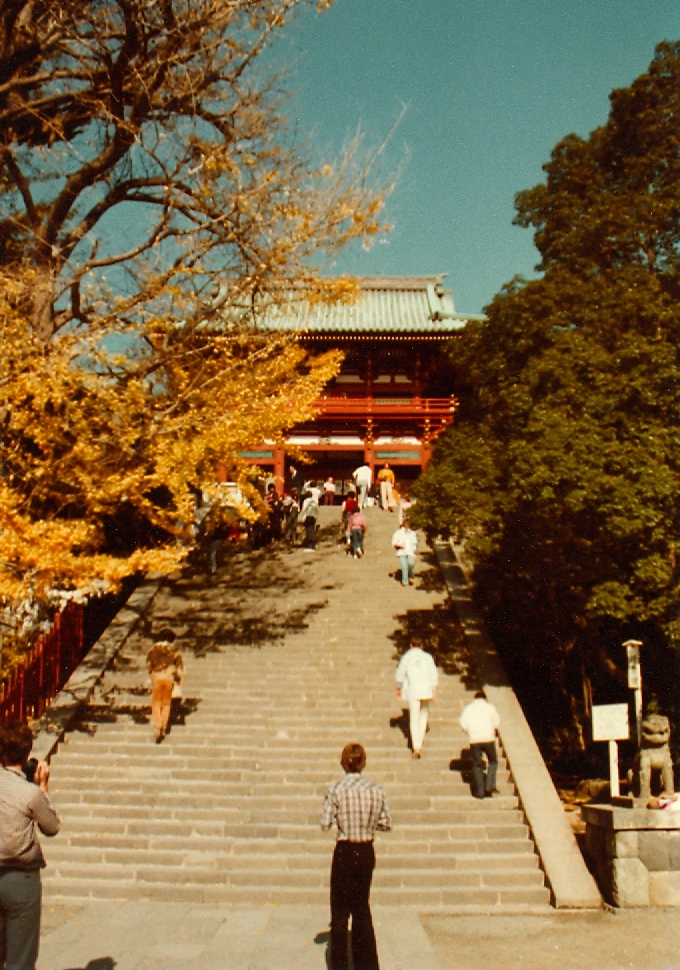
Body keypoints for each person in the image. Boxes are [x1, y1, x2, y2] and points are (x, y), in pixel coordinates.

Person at [320, 743, 391, 970]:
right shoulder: (376, 790)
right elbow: (386, 823)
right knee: (361, 907)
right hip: (366, 850)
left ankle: (339, 965)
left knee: (340, 911)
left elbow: (325, 824)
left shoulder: (336, 789)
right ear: (364, 763)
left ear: (343, 762)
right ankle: (367, 965)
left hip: (345, 850)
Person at [0, 721, 60, 970]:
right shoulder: (30, 793)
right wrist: (43, 787)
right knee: (21, 956)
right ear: (27, 754)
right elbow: (51, 827)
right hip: (21, 878)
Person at [395, 639, 439, 759]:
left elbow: (400, 673)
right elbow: (433, 673)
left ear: (410, 645)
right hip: (426, 690)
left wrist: (398, 687)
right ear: (422, 645)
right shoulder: (427, 657)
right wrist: (433, 689)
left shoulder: (407, 657)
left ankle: (417, 746)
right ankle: (419, 739)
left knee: (414, 717)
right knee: (423, 715)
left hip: (413, 690)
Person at [459, 690, 501, 798]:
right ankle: (490, 784)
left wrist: (470, 731)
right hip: (488, 738)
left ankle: (480, 792)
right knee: (493, 761)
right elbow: (497, 722)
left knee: (477, 765)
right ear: (485, 698)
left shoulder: (468, 708)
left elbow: (462, 723)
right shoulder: (490, 707)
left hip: (475, 740)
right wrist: (492, 728)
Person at [146, 630, 184, 743]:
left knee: (156, 702)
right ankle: (164, 726)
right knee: (166, 703)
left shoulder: (153, 650)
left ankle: (158, 725)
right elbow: (179, 667)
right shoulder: (175, 651)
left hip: (157, 677)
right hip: (169, 679)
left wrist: (151, 672)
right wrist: (179, 679)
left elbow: (149, 664)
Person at [391, 519, 418, 586]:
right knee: (404, 566)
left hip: (410, 552)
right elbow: (394, 542)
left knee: (411, 563)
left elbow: (415, 543)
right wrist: (398, 545)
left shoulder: (412, 533)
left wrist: (414, 552)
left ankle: (411, 576)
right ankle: (404, 581)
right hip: (401, 552)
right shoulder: (398, 533)